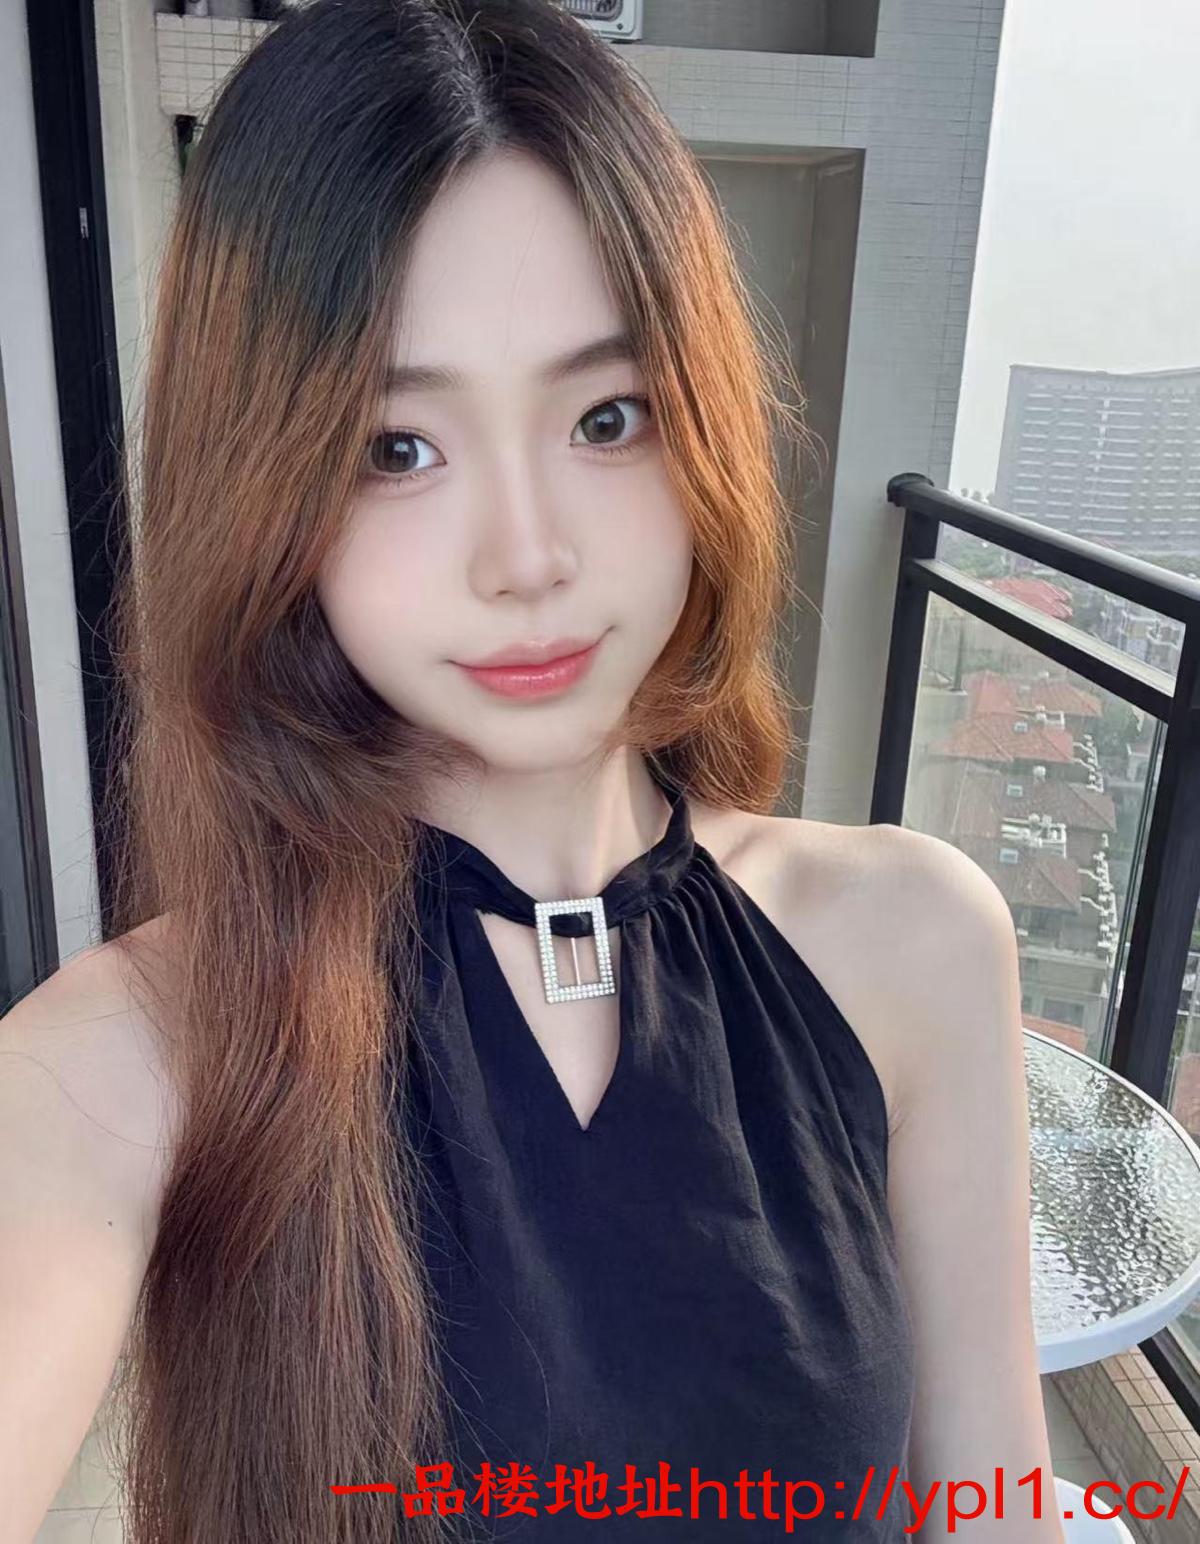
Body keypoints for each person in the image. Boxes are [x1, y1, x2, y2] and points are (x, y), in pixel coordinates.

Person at [0, 0, 1065, 1539]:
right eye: (397, 449)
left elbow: (994, 1503)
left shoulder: (913, 941)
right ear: (266, 493)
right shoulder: (132, 1055)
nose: (526, 556)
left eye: (606, 418)